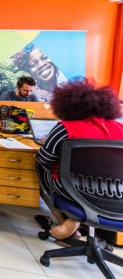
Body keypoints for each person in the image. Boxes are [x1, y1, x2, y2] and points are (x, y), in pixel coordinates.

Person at [36, 79, 123, 239]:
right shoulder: (120, 128)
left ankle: (68, 227)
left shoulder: (65, 127)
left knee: (41, 173)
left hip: (74, 190)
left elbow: (44, 158)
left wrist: (48, 143)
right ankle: (73, 221)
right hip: (116, 195)